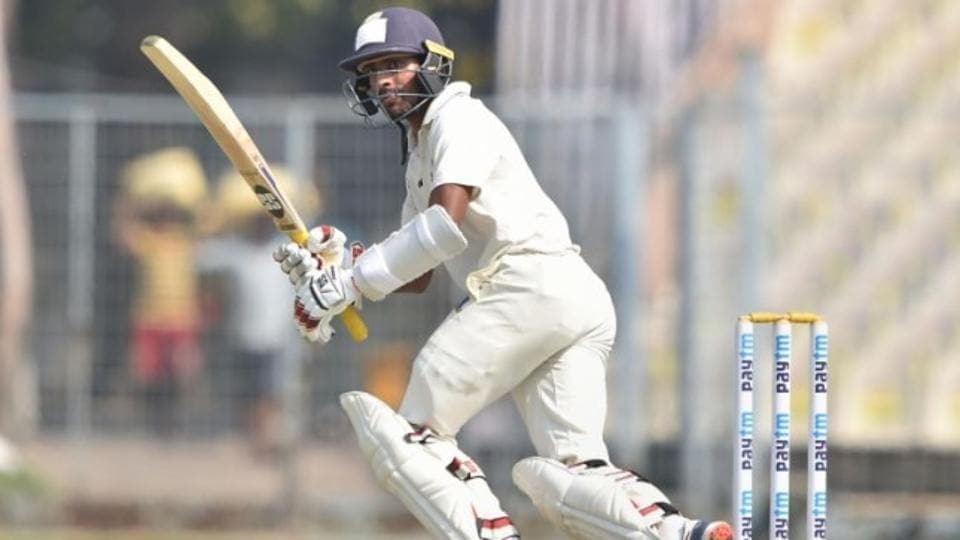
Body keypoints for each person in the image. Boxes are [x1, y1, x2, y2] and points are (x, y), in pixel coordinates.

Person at [272, 7, 732, 540]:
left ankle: (490, 531)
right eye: (373, 71)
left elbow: (443, 228)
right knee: (576, 471)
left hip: (524, 288)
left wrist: (351, 283)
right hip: (569, 298)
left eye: (395, 65)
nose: (383, 81)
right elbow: (419, 273)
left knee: (414, 437)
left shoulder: (459, 118)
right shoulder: (420, 152)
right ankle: (676, 532)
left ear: (432, 64)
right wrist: (344, 266)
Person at [114, 147, 207, 436]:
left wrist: (197, 200)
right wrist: (128, 204)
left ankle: (178, 419)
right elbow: (124, 235)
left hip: (182, 316)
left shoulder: (187, 240)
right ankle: (152, 420)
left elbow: (209, 223)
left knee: (184, 370)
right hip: (149, 316)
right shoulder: (148, 238)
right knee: (144, 371)